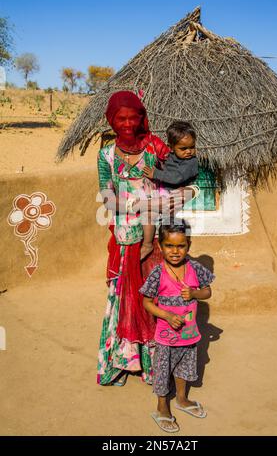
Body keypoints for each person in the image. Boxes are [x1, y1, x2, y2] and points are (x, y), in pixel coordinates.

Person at [97, 91, 193, 386]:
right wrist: (134, 205)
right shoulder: (106, 155)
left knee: (154, 296)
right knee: (123, 299)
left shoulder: (154, 146)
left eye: (132, 117)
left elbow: (189, 172)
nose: (127, 124)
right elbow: (106, 194)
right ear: (112, 121)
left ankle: (153, 365)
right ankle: (123, 363)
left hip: (156, 240)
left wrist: (181, 197)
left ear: (141, 118)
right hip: (126, 239)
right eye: (120, 118)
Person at [140, 221, 215, 432]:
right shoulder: (157, 273)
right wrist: (167, 315)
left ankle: (182, 399)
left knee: (185, 368)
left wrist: (194, 293)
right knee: (163, 371)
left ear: (188, 245)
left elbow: (207, 292)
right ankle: (162, 406)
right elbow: (146, 302)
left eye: (181, 246)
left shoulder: (195, 268)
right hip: (166, 337)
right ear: (161, 247)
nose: (175, 251)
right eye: (169, 246)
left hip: (189, 335)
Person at [141, 121, 200, 260]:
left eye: (192, 147)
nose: (189, 151)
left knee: (158, 219)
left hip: (175, 196)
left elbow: (176, 178)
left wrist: (155, 174)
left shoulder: (191, 162)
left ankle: (153, 245)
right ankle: (148, 243)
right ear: (171, 148)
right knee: (149, 214)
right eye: (183, 148)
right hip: (165, 192)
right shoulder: (171, 156)